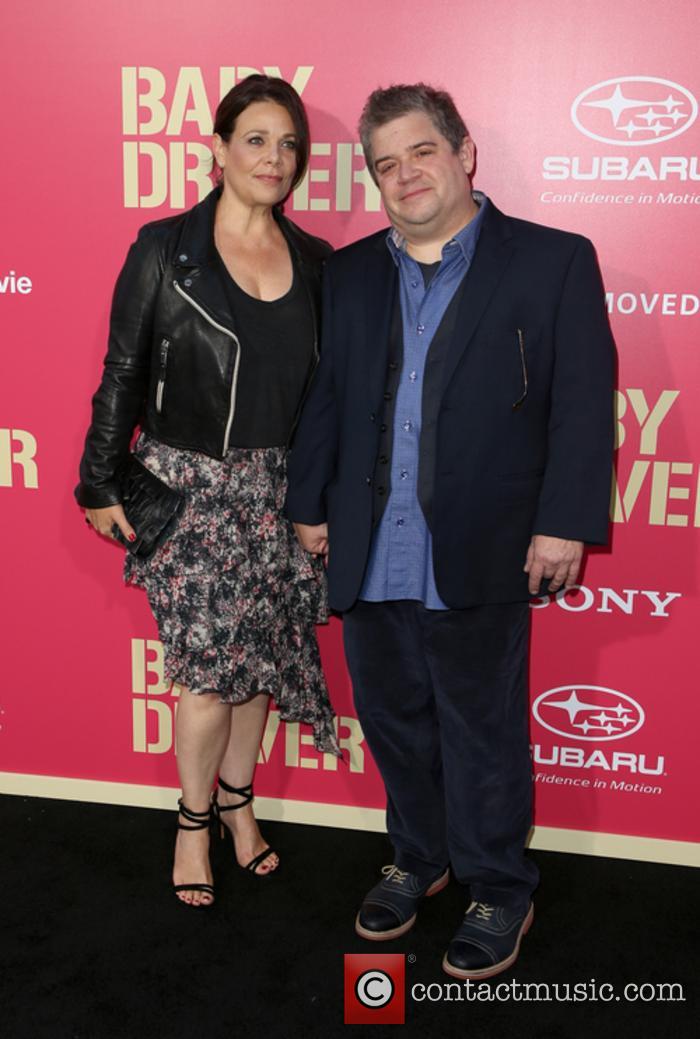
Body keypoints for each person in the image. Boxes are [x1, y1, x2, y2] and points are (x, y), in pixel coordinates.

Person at [287, 83, 614, 977]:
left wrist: (564, 523)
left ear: (464, 154)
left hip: (485, 542)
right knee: (394, 721)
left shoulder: (552, 261)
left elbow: (583, 407)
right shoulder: (347, 274)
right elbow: (328, 399)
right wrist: (309, 506)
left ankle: (500, 884)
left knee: (482, 728)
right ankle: (417, 857)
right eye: (384, 164)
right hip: (368, 538)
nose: (404, 175)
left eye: (420, 152)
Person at [77, 75, 338, 909]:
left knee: (255, 666)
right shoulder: (164, 248)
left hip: (278, 490)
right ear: (218, 149)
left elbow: (328, 396)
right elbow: (121, 368)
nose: (275, 157)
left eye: (289, 143)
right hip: (188, 489)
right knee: (202, 675)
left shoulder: (317, 261)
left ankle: (237, 804)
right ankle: (192, 822)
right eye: (256, 139)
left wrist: (321, 496)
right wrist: (97, 478)